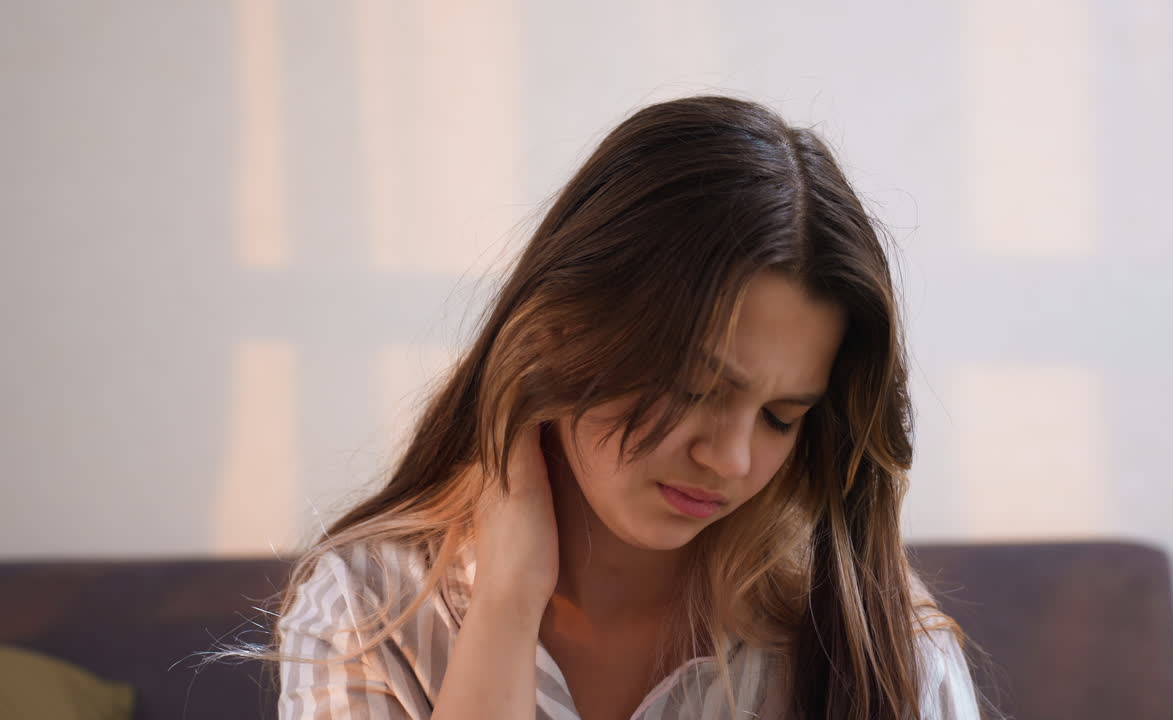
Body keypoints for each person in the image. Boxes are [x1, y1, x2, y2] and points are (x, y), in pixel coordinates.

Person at [265, 94, 985, 719]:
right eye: (698, 389)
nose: (730, 459)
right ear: (558, 337)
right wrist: (508, 604)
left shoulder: (876, 647)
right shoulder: (365, 617)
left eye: (781, 417)